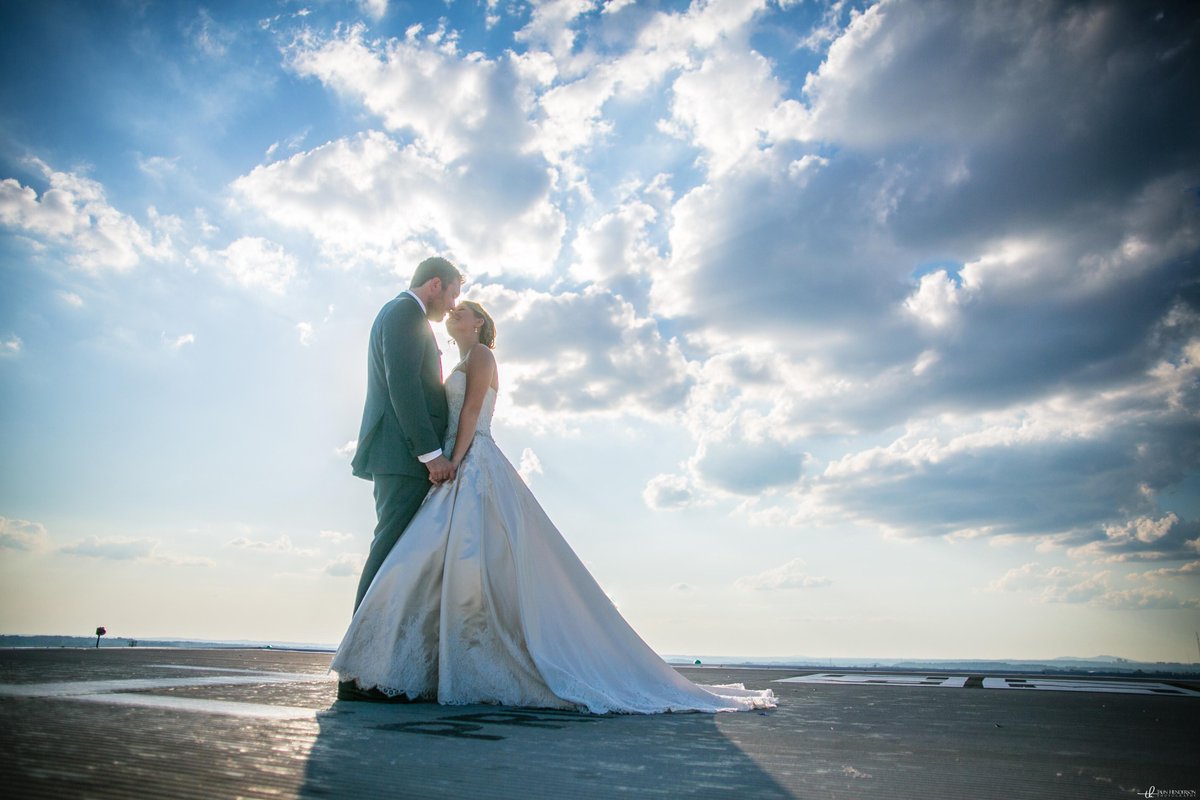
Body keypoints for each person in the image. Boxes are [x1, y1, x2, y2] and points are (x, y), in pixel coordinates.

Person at [333, 300, 777, 713]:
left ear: (480, 324)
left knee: (467, 557)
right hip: (456, 460)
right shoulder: (461, 360)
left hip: (472, 458)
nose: (453, 314)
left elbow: (470, 414)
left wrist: (454, 461)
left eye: (463, 311)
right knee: (432, 561)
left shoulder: (483, 358)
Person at [339, 256, 461, 702]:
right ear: (434, 284)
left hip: (404, 457)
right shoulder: (403, 313)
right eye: (452, 295)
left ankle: (375, 665)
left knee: (396, 558)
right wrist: (430, 455)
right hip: (403, 458)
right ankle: (355, 670)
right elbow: (403, 386)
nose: (451, 307)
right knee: (387, 555)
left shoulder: (405, 315)